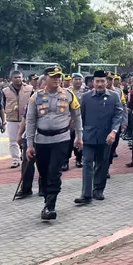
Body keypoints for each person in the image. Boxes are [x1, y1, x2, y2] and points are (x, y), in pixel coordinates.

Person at [26, 67, 83, 220]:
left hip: (61, 139)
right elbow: (30, 120)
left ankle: (51, 205)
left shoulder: (69, 95)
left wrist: (79, 136)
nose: (57, 79)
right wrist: (29, 144)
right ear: (45, 78)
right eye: (53, 76)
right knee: (44, 172)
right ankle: (46, 200)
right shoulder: (35, 97)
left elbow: (77, 117)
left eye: (59, 76)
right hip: (41, 140)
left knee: (54, 172)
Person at [75, 70, 123, 204]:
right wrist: (78, 136)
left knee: (102, 164)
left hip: (106, 137)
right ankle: (86, 194)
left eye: (102, 81)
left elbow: (118, 115)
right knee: (87, 164)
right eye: (97, 81)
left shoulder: (114, 96)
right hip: (88, 136)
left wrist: (113, 131)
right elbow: (80, 118)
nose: (100, 84)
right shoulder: (85, 97)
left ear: (107, 82)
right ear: (93, 83)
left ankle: (98, 190)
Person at [1, 71, 34, 169]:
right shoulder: (5, 90)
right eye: (15, 77)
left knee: (27, 139)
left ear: (23, 78)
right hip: (12, 119)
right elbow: (2, 105)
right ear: (11, 78)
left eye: (19, 77)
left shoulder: (30, 89)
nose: (18, 79)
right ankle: (15, 160)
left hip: (27, 118)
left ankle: (26, 157)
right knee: (13, 141)